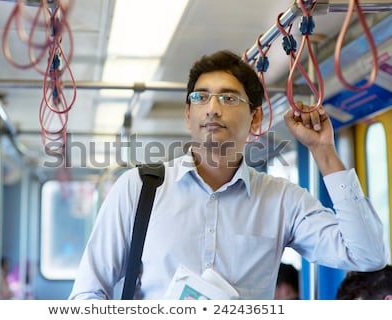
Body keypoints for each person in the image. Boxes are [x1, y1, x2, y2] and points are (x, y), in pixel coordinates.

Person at [69, 49, 388, 300]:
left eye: (229, 97)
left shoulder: (281, 200)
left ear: (255, 118)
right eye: (201, 97)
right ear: (188, 115)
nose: (212, 108)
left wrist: (323, 151)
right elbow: (86, 292)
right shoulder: (138, 189)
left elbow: (367, 255)